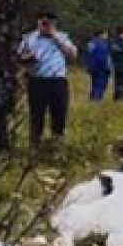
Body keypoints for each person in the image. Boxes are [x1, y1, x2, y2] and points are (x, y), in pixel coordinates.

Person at [18, 12, 77, 146]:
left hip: (57, 80)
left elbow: (73, 55)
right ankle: (35, 144)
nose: (45, 25)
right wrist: (27, 59)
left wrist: (54, 36)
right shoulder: (29, 38)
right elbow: (19, 57)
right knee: (36, 115)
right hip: (38, 80)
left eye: (48, 23)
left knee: (59, 113)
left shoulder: (62, 37)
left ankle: (57, 143)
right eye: (43, 22)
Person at [85, 31, 113, 102]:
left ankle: (92, 100)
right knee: (100, 85)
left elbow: (89, 56)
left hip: (92, 68)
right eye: (105, 34)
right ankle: (97, 101)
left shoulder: (91, 43)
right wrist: (107, 68)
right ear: (100, 35)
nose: (106, 36)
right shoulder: (102, 44)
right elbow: (102, 58)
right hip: (101, 68)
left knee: (94, 85)